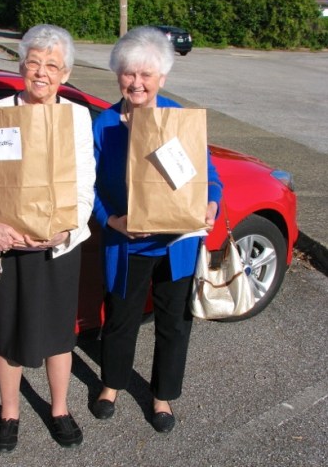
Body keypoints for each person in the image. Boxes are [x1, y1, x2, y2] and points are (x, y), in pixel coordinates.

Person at [0, 24, 95, 452]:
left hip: (57, 246)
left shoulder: (75, 116)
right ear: (21, 67)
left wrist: (69, 228)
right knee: (8, 332)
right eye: (34, 62)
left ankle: (59, 409)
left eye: (52, 65)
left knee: (58, 333)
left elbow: (85, 182)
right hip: (6, 245)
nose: (41, 72)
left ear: (65, 74)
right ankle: (9, 412)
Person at [91, 26, 223, 433]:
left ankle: (162, 395)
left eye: (146, 75)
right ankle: (111, 384)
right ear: (118, 75)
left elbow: (210, 176)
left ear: (162, 77)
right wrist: (110, 220)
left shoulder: (178, 121)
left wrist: (212, 202)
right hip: (128, 245)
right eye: (129, 73)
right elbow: (86, 187)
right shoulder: (104, 125)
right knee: (120, 319)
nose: (137, 82)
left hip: (177, 246)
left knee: (173, 323)